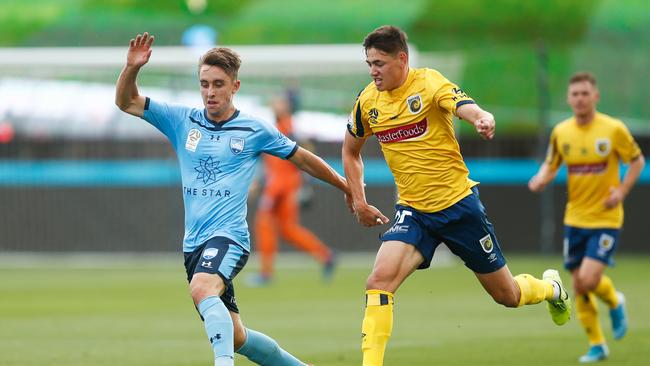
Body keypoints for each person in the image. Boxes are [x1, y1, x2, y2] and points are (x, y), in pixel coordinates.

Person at [115, 32, 351, 366]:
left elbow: (302, 158)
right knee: (237, 336)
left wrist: (347, 187)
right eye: (204, 84)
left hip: (229, 238)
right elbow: (126, 101)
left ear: (235, 87)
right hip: (193, 245)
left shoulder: (255, 129)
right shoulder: (182, 120)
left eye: (218, 84)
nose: (210, 92)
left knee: (201, 289)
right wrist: (131, 68)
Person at [342, 25, 572, 366]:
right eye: (369, 64)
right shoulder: (368, 102)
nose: (373, 71)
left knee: (507, 295)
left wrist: (481, 117)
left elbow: (463, 104)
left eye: (380, 63)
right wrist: (358, 200)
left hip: (458, 208)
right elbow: (351, 151)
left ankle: (552, 289)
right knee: (378, 281)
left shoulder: (429, 82)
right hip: (414, 212)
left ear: (401, 59)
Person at [529, 72, 644, 363]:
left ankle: (615, 301)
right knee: (579, 284)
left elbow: (637, 160)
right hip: (575, 218)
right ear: (569, 99)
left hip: (605, 217)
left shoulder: (613, 129)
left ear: (595, 96)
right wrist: (541, 179)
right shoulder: (561, 132)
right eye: (575, 94)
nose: (580, 99)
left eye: (585, 93)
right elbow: (550, 164)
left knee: (590, 279)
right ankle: (597, 345)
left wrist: (622, 191)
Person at [250, 96, 336, 286]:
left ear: (288, 106)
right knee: (288, 229)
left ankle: (266, 273)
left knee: (264, 222)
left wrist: (305, 182)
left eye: (279, 101)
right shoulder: (279, 127)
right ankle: (326, 256)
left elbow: (304, 151)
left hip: (281, 187)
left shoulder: (288, 127)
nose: (274, 103)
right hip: (282, 185)